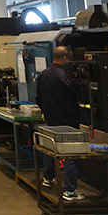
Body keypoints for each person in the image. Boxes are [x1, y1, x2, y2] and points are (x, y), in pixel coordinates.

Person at [35, 45, 84, 201]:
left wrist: (46, 111)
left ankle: (48, 178)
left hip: (50, 119)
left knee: (50, 149)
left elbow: (38, 98)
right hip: (68, 121)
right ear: (64, 58)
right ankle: (69, 190)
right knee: (70, 155)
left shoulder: (43, 75)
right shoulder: (67, 76)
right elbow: (82, 95)